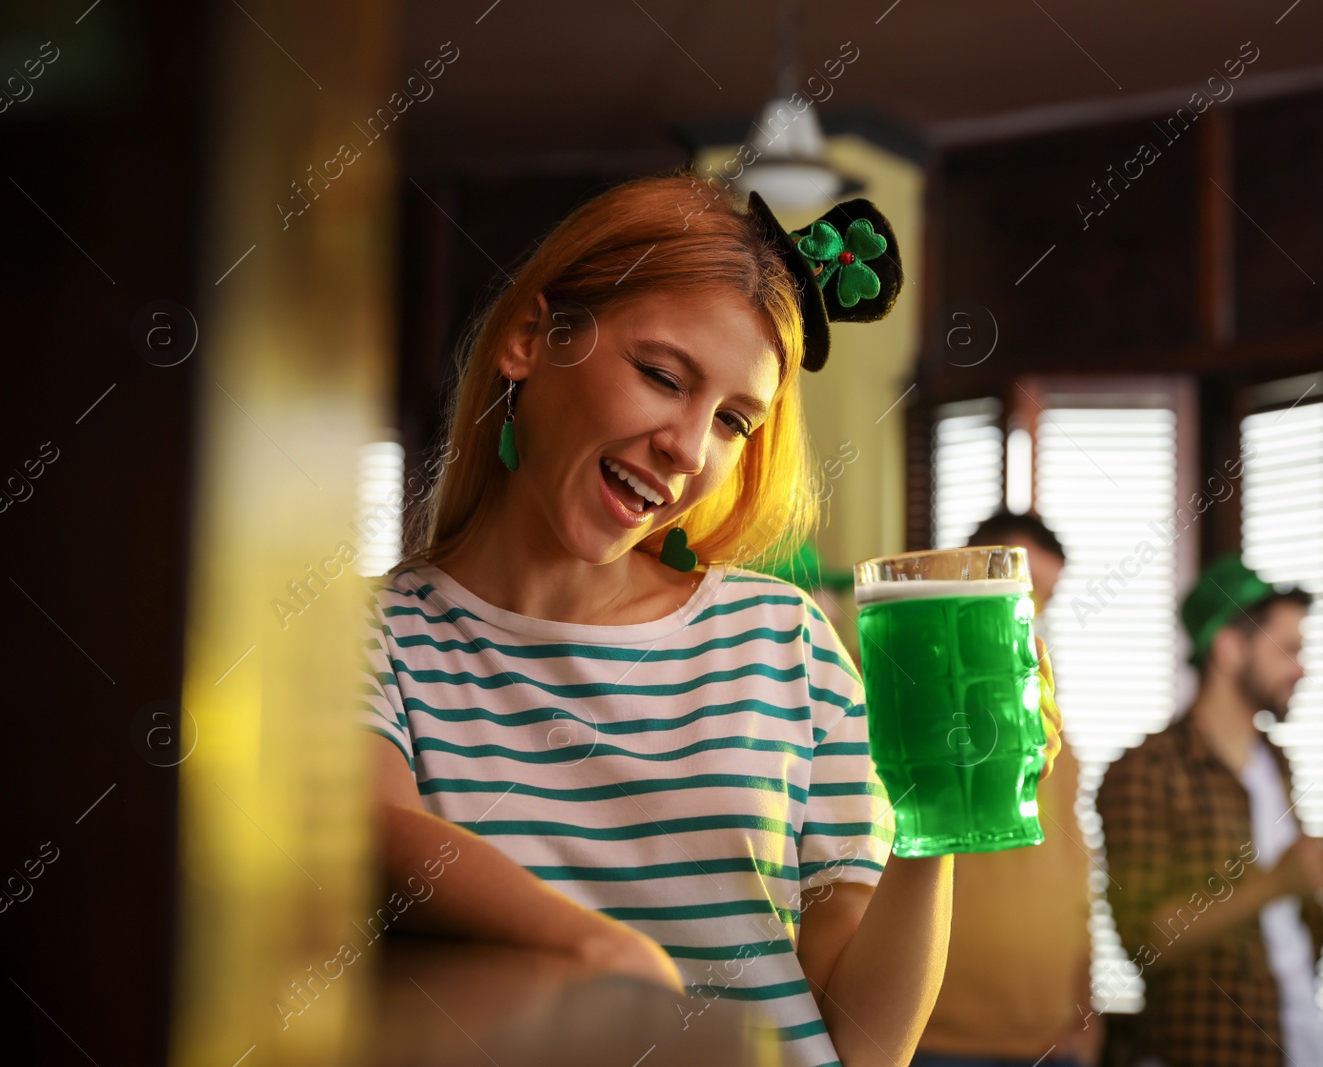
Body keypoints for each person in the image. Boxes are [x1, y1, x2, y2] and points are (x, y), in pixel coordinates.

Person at [355, 171, 1064, 1067]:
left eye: (734, 420)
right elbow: (367, 825)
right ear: (531, 336)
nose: (689, 450)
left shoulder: (787, 641)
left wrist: (939, 817)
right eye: (660, 375)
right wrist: (607, 957)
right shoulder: (373, 634)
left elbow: (864, 1047)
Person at [1095, 553, 1323, 1067]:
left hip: (1304, 1046)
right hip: (1207, 1052)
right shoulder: (1146, 771)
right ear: (1230, 647)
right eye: (1289, 650)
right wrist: (1276, 882)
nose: (1302, 669)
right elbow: (1147, 941)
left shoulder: (1276, 763)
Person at [915, 510, 1102, 1067]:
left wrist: (1086, 1009)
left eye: (1045, 597)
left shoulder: (1040, 710)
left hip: (1049, 1039)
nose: (1029, 612)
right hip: (934, 1037)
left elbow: (1072, 868)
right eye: (1021, 590)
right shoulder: (900, 689)